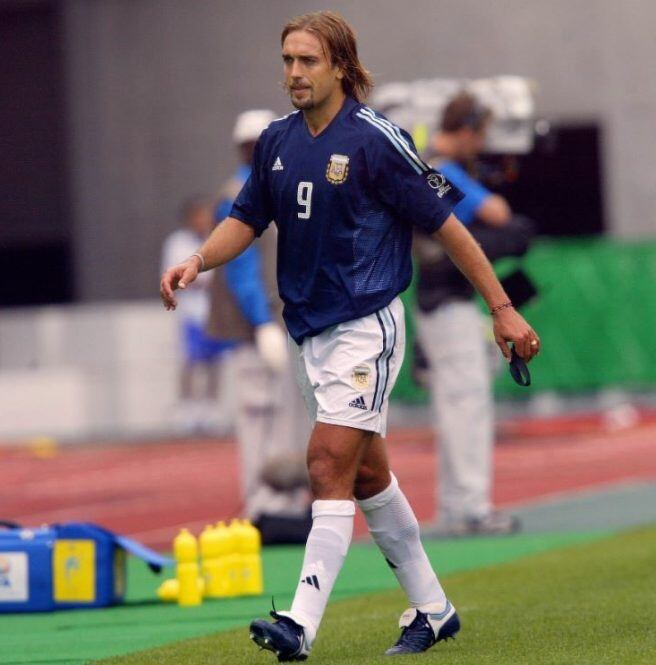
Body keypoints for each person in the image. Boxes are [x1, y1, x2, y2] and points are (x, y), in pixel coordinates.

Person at [160, 11, 540, 660]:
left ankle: (299, 624)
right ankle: (434, 608)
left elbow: (448, 227)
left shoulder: (376, 140)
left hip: (368, 323)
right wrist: (200, 260)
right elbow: (246, 220)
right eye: (287, 61)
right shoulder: (278, 142)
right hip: (311, 332)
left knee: (325, 463)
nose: (295, 73)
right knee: (366, 477)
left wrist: (503, 307)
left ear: (340, 64)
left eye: (307, 61)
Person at [414, 92, 536, 536]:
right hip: (446, 298)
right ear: (465, 131)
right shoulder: (438, 168)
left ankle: (454, 506)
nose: (481, 144)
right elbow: (495, 212)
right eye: (480, 134)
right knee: (467, 401)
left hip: (440, 298)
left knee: (454, 403)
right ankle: (471, 507)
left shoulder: (432, 163)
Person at [207, 110, 312, 538]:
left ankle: (284, 503)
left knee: (286, 417)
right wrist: (261, 323)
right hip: (254, 331)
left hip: (280, 323)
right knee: (259, 416)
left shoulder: (278, 187)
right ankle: (261, 507)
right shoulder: (238, 192)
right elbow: (241, 267)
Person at [160, 196, 228, 434]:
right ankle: (186, 408)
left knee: (215, 363)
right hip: (191, 313)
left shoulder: (214, 240)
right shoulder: (177, 243)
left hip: (212, 312)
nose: (203, 221)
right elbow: (179, 277)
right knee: (190, 362)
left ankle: (211, 408)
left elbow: (222, 276)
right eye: (199, 216)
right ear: (190, 218)